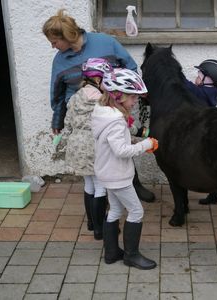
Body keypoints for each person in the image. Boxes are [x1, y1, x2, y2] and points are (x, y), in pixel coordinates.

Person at [43, 9, 155, 202]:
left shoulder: (105, 42)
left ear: (67, 36)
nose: (53, 47)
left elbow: (130, 67)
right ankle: (104, 203)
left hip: (113, 106)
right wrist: (57, 119)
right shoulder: (60, 60)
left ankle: (132, 185)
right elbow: (58, 93)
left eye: (54, 42)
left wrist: (122, 95)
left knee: (121, 143)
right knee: (96, 160)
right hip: (84, 115)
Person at [91, 68, 158, 269]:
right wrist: (146, 145)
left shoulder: (102, 113)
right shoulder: (116, 121)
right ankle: (131, 255)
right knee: (136, 211)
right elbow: (121, 150)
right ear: (118, 96)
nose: (135, 101)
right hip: (117, 175)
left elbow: (115, 142)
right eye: (133, 98)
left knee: (115, 210)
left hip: (106, 172)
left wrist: (138, 139)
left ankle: (111, 253)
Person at [63, 58, 112, 240]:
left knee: (89, 184)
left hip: (76, 144)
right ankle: (100, 229)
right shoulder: (102, 100)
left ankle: (91, 223)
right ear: (98, 79)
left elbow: (67, 123)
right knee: (101, 186)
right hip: (93, 144)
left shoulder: (75, 97)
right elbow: (109, 122)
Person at [184, 59, 217, 207]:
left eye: (198, 75)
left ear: (207, 79)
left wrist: (177, 75)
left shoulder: (203, 92)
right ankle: (214, 195)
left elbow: (188, 86)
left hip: (202, 133)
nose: (195, 78)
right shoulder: (212, 90)